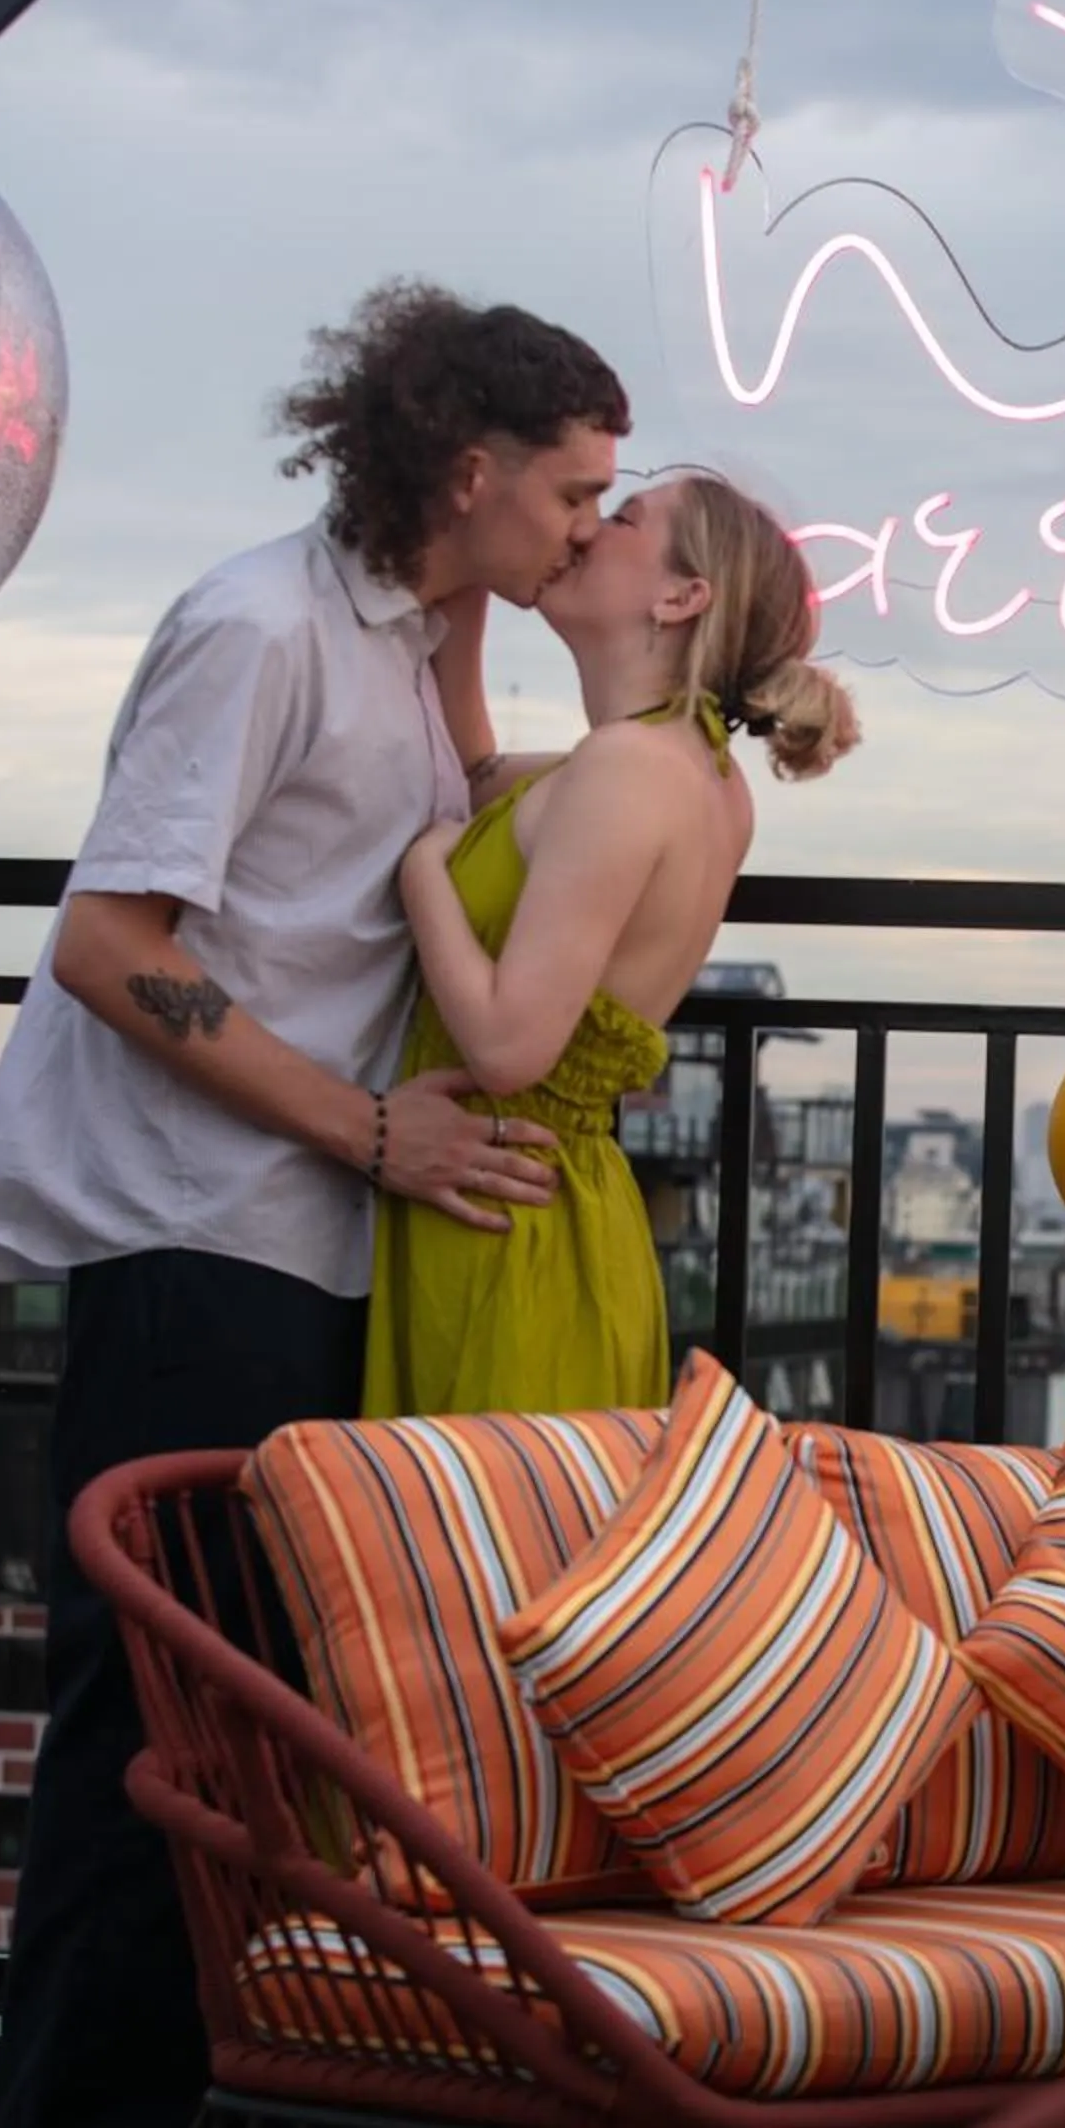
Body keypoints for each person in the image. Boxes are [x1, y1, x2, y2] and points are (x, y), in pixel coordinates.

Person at [0, 282, 632, 2128]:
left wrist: (676, 766)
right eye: (574, 498)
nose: (590, 537)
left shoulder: (425, 622)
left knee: (275, 1716)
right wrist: (375, 1135)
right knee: (163, 1709)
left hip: (305, 1233)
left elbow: (458, 804)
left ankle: (235, 2125)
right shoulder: (259, 627)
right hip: (199, 1227)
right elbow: (113, 941)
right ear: (470, 473)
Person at [364, 471, 860, 1419]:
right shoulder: (687, 769)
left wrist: (422, 874)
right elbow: (479, 782)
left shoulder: (629, 769)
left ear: (681, 597)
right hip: (557, 1213)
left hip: (501, 1218)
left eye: (624, 520)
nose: (586, 530)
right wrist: (468, 575)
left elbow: (509, 1046)